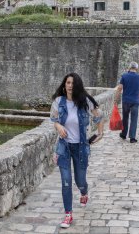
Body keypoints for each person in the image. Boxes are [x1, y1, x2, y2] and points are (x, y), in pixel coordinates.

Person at [50, 73, 104, 228]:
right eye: (67, 82)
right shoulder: (58, 102)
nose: (70, 85)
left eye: (73, 83)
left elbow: (99, 116)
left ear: (77, 85)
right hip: (63, 147)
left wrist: (100, 133)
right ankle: (68, 215)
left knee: (80, 181)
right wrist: (59, 126)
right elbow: (54, 119)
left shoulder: (85, 101)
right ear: (64, 84)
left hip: (81, 147)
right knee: (66, 182)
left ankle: (84, 192)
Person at [115, 61, 139, 143]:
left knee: (125, 118)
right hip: (135, 101)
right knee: (134, 119)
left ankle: (124, 134)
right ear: (136, 68)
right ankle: (132, 137)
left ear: (129, 67)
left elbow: (119, 88)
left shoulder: (124, 76)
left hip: (125, 100)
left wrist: (116, 100)